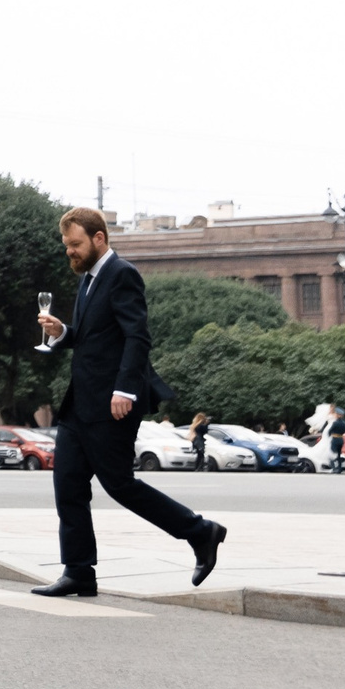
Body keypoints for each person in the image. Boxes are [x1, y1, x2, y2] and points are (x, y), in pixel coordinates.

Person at [34, 208, 224, 597]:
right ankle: (78, 571)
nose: (70, 251)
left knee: (119, 484)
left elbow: (137, 336)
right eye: (66, 245)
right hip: (80, 403)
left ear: (99, 238)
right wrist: (63, 332)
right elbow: (95, 338)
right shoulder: (88, 279)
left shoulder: (122, 274)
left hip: (112, 403)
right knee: (68, 485)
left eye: (75, 244)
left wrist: (125, 390)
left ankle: (200, 531)